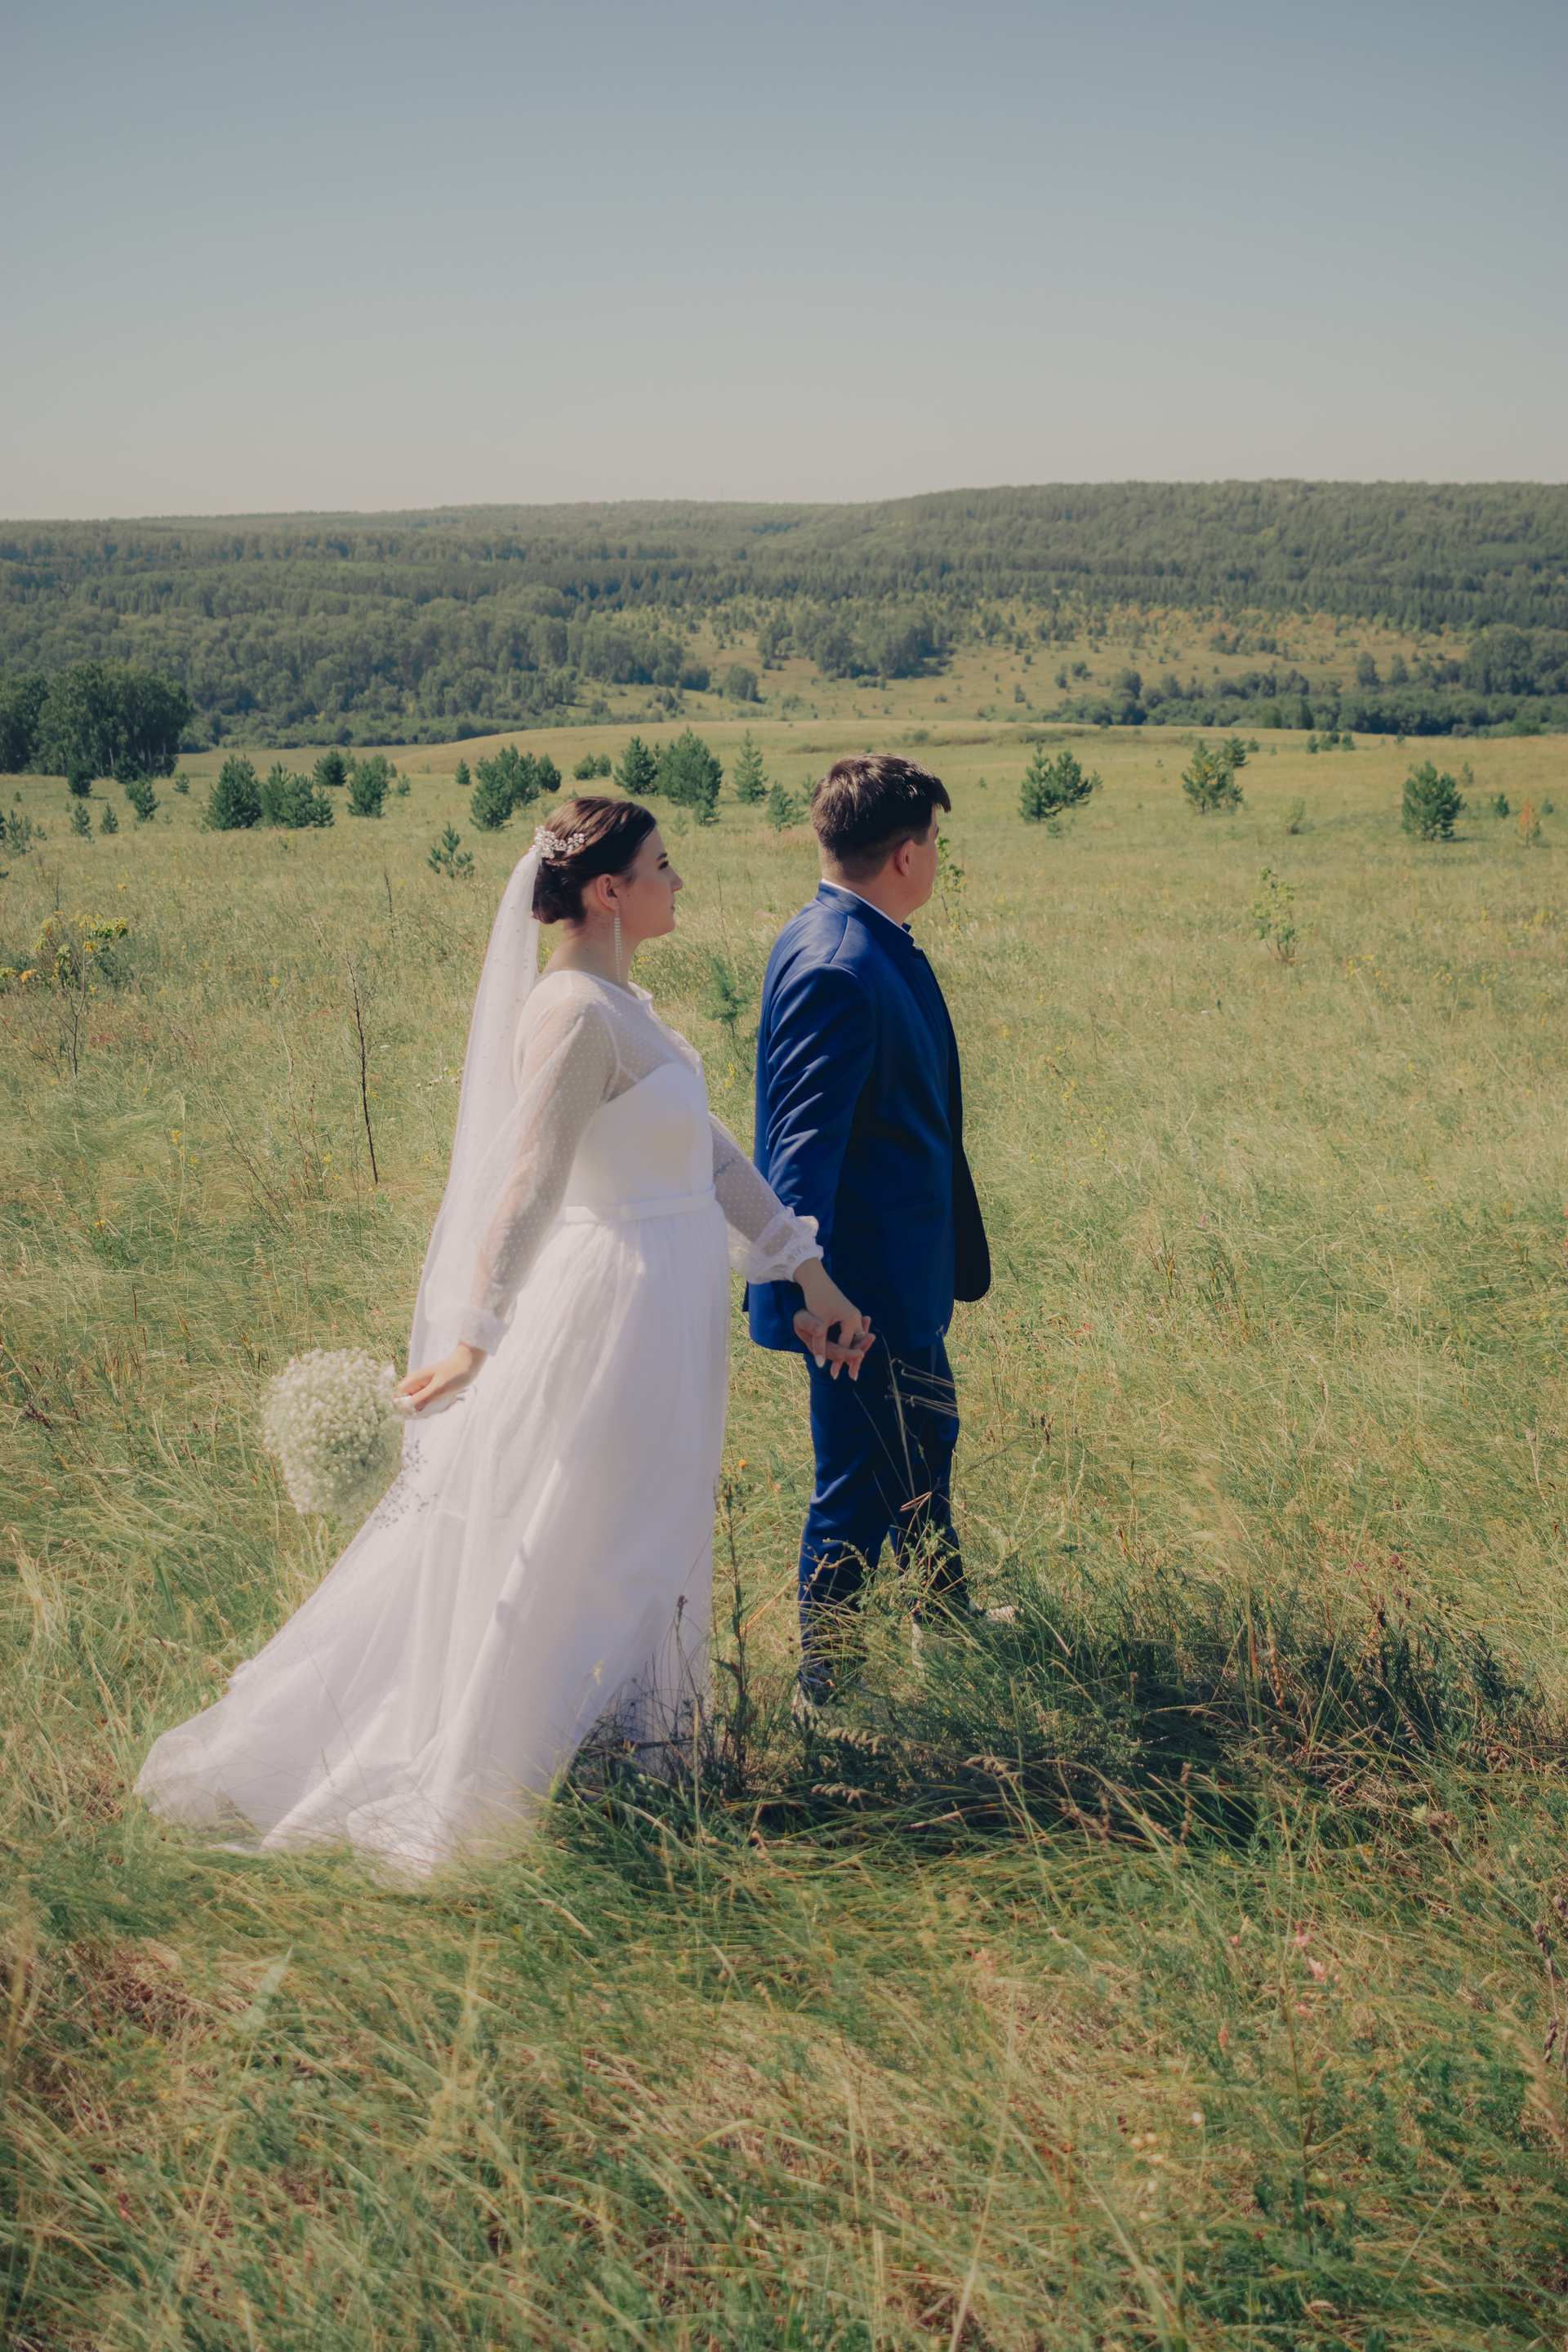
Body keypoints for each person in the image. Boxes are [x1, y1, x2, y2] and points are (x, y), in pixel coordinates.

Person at [137, 797, 864, 1873]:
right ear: (608, 892)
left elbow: (710, 1156)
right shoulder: (573, 1013)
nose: (679, 882)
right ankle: (503, 1765)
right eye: (663, 865)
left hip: (670, 1304)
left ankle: (641, 1757)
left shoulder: (627, 1002)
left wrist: (807, 1268)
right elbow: (526, 1183)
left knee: (647, 1528)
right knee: (579, 1534)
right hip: (613, 1307)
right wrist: (476, 1338)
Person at [747, 755, 991, 1703]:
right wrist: (813, 1291)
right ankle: (828, 1685)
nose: (938, 857)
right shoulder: (839, 966)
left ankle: (943, 1616)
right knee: (855, 1483)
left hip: (899, 1274)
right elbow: (801, 1149)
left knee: (926, 1443)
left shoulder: (854, 935)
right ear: (905, 854)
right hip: (858, 1292)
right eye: (935, 841)